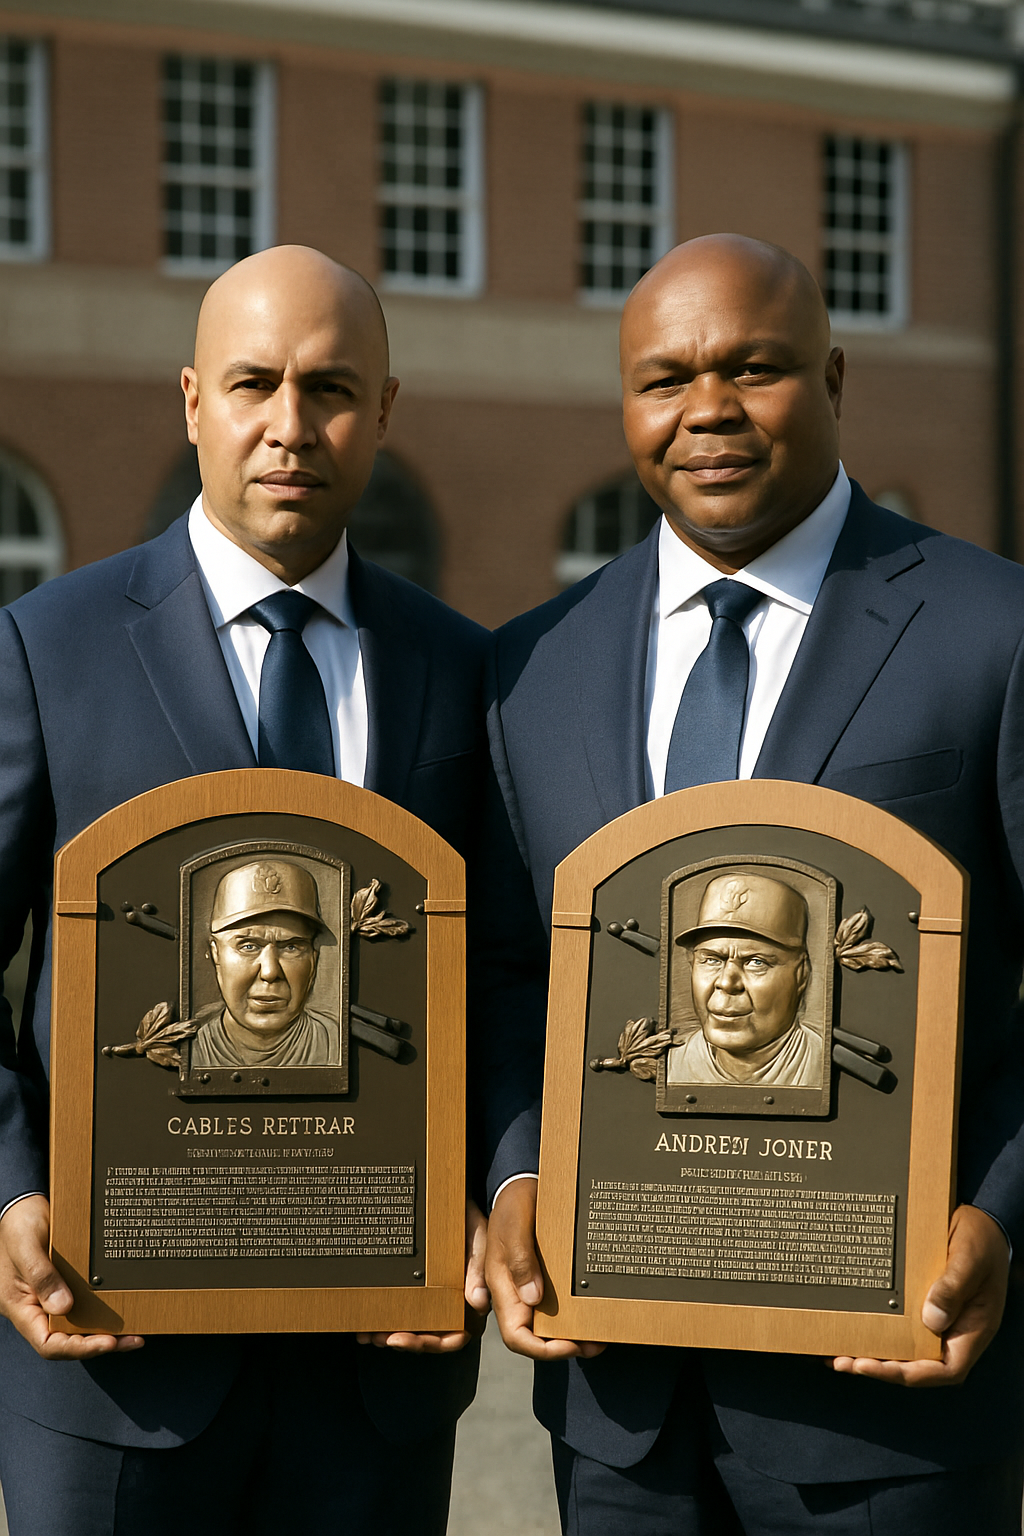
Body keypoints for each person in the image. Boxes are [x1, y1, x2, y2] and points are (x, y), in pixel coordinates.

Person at [482, 234, 1024, 1533]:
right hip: (623, 1423)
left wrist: (1001, 1222)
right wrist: (512, 1178)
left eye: (754, 368)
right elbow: (510, 975)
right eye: (665, 379)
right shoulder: (528, 667)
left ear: (833, 376)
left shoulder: (991, 628)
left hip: (887, 1404)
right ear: (625, 405)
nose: (707, 410)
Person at [0, 245, 488, 1535]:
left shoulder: (465, 668)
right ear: (191, 401)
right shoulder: (47, 646)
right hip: (116, 1366)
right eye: (252, 383)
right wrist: (9, 1190)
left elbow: (501, 974)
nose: (289, 426)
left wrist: (503, 1187)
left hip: (374, 1372)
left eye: (330, 388)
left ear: (383, 411)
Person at [669, 871, 820, 1089]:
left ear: (801, 974)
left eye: (756, 962)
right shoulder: (670, 1065)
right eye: (712, 960)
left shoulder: (822, 1067)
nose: (727, 983)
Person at [192, 858, 339, 1070]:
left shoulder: (337, 1044)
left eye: (291, 948)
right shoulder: (185, 1048)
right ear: (216, 954)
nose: (270, 972)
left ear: (313, 960)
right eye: (249, 946)